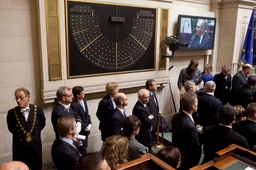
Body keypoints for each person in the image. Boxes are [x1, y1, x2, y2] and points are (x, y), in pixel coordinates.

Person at [6, 87, 46, 170]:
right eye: (16, 98)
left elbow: (41, 124)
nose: (18, 100)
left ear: (28, 97)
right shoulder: (11, 113)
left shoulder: (38, 109)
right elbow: (11, 129)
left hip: (35, 146)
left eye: (21, 97)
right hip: (20, 148)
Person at [171, 92, 201, 170]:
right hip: (187, 159)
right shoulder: (190, 126)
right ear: (193, 106)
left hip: (176, 153)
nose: (198, 103)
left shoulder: (175, 116)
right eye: (197, 102)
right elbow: (196, 147)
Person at [132, 89, 157, 153]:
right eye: (145, 98)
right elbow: (147, 122)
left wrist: (150, 117)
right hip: (143, 135)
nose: (147, 99)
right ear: (139, 97)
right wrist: (151, 118)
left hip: (148, 133)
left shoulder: (147, 103)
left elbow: (153, 113)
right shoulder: (138, 108)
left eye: (148, 97)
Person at [71, 86, 92, 154]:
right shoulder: (74, 105)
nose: (84, 94)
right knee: (81, 148)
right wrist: (84, 126)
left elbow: (87, 114)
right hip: (81, 130)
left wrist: (89, 123)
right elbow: (77, 118)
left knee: (85, 146)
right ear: (77, 95)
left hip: (86, 128)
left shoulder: (84, 100)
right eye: (82, 93)